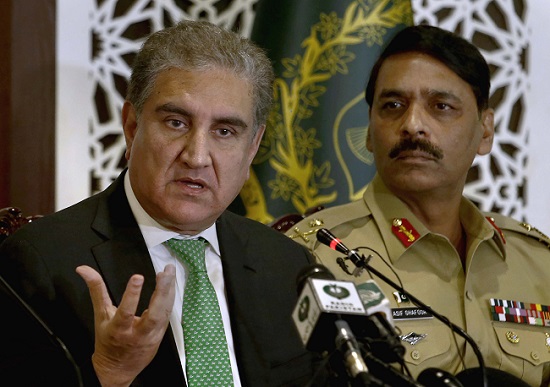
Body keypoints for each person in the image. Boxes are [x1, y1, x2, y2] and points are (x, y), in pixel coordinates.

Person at [0, 20, 320, 386]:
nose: (197, 156)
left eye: (225, 131)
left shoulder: (288, 266)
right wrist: (109, 375)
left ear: (252, 147)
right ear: (132, 126)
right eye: (176, 123)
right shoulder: (41, 262)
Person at [286, 25, 550, 386]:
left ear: (485, 131)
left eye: (441, 107)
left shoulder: (538, 263)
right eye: (392, 106)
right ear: (368, 129)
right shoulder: (311, 257)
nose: (412, 125)